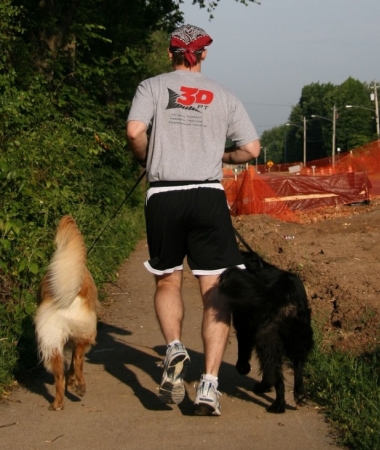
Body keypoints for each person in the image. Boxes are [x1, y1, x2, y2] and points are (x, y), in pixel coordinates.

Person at [126, 24, 260, 416]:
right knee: (214, 289)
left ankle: (173, 348)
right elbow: (251, 148)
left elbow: (135, 131)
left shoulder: (151, 87)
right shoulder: (224, 95)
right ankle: (209, 387)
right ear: (203, 55)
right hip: (207, 196)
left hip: (164, 195)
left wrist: (145, 157)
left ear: (171, 53)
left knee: (168, 278)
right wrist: (223, 158)